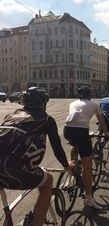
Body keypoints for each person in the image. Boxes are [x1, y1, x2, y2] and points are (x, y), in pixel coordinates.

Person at [0, 87, 74, 226]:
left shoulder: (10, 116)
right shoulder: (46, 119)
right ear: (42, 103)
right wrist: (66, 166)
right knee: (48, 181)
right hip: (13, 169)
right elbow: (57, 149)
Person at [64, 86, 109, 209]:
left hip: (67, 130)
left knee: (75, 145)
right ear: (89, 95)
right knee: (88, 168)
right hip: (81, 132)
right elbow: (101, 121)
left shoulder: (73, 103)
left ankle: (73, 168)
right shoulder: (94, 105)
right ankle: (89, 198)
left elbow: (76, 118)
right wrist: (106, 132)